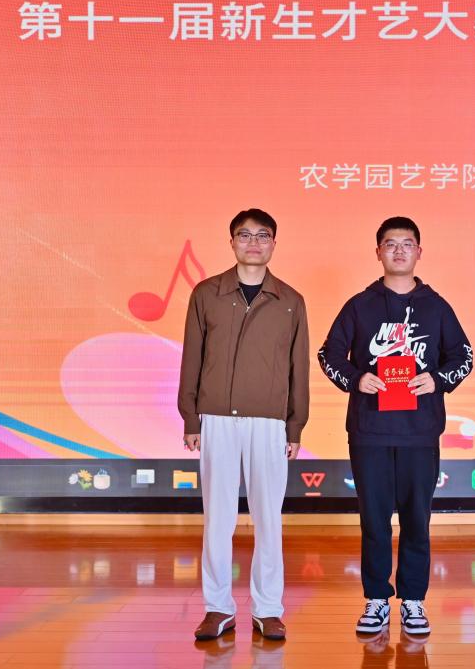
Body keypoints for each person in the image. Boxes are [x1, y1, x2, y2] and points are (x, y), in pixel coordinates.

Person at [318, 216, 473, 636]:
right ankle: (375, 599)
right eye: (391, 244)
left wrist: (437, 379)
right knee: (373, 520)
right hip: (369, 430)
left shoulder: (437, 307)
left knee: (417, 520)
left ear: (419, 252)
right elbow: (329, 353)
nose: (399, 250)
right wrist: (356, 378)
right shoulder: (360, 305)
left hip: (420, 432)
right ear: (378, 252)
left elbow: (464, 357)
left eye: (407, 244)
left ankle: (414, 601)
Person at [178, 208, 310, 642]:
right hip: (216, 418)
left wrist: (295, 426)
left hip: (270, 422)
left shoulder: (290, 300)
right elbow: (192, 357)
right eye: (245, 235)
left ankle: (268, 609)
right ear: (232, 241)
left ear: (274, 243)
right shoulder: (207, 294)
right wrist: (190, 416)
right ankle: (217, 608)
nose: (254, 243)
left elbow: (298, 369)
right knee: (217, 517)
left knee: (268, 518)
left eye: (262, 235)